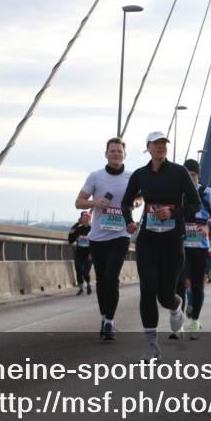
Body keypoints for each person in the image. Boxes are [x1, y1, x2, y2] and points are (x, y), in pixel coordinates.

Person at [121, 133, 200, 359]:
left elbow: (195, 205)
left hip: (172, 240)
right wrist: (128, 221)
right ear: (148, 147)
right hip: (148, 240)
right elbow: (126, 202)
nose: (161, 147)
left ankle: (176, 306)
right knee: (147, 289)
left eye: (164, 144)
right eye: (157, 144)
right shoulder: (140, 175)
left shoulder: (179, 172)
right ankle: (151, 344)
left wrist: (172, 212)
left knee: (166, 295)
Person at [75, 137, 134, 340]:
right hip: (98, 236)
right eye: (113, 151)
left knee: (112, 277)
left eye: (119, 151)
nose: (116, 154)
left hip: (120, 234)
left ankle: (109, 321)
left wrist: (135, 202)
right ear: (106, 154)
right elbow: (78, 202)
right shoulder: (96, 177)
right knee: (101, 280)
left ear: (125, 155)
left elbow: (142, 197)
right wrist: (95, 203)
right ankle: (103, 317)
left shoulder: (131, 176)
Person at [178, 158, 211, 340]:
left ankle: (195, 320)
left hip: (199, 246)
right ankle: (179, 323)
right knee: (179, 286)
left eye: (193, 176)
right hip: (180, 246)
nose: (190, 179)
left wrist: (208, 227)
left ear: (198, 176)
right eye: (187, 176)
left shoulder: (207, 193)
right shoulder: (177, 193)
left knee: (197, 285)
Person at [68, 211, 94, 295]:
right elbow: (71, 241)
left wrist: (91, 254)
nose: (85, 219)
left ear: (90, 219)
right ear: (81, 219)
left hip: (88, 253)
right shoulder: (78, 228)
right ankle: (81, 288)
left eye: (87, 218)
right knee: (78, 270)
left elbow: (95, 243)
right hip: (79, 252)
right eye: (84, 218)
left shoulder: (92, 229)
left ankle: (89, 285)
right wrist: (71, 233)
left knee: (86, 272)